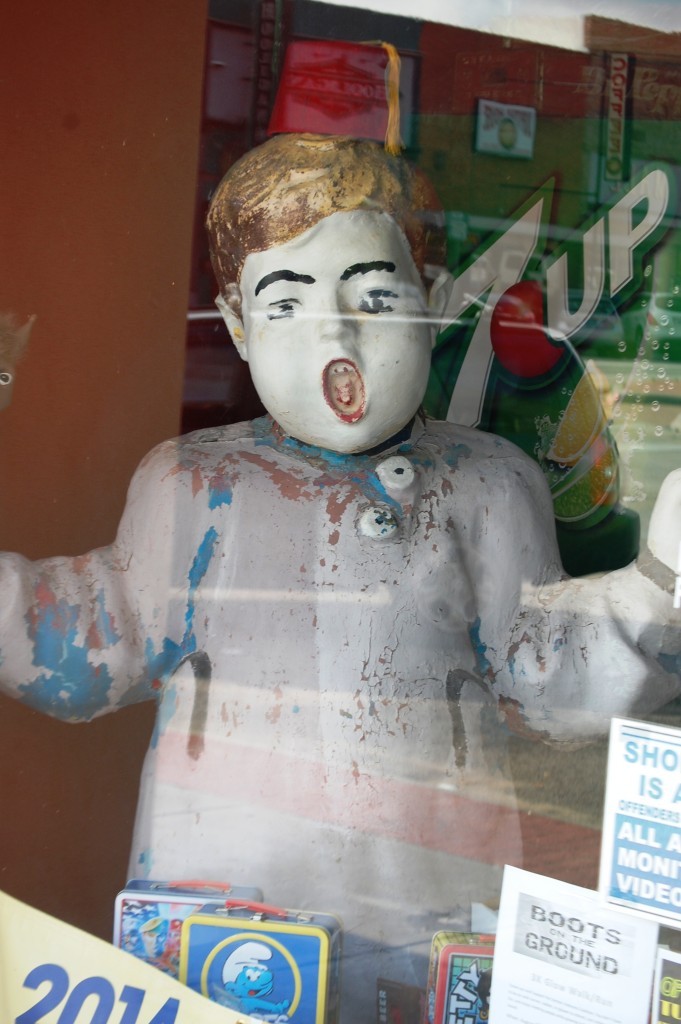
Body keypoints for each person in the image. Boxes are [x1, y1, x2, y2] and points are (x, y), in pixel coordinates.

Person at [1, 133, 680, 1020]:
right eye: (284, 304)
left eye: (373, 294)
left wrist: (661, 584)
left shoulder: (488, 482)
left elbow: (546, 668)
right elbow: (91, 638)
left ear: (433, 305)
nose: (336, 330)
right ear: (238, 324)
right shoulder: (192, 485)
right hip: (224, 913)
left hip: (433, 902)